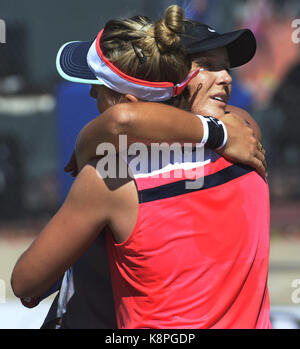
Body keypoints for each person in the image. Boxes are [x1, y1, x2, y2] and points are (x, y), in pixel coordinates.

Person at [12, 5, 270, 329]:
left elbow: (25, 283)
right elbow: (124, 120)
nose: (227, 77)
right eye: (209, 65)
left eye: (102, 89)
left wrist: (89, 146)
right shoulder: (242, 136)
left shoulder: (112, 174)